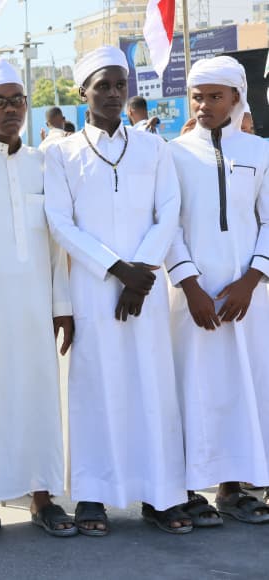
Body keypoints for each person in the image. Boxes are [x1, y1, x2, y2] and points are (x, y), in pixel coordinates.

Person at [43, 46, 190, 536]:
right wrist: (117, 269)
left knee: (151, 385)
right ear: (82, 92)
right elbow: (60, 223)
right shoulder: (60, 153)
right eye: (101, 86)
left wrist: (142, 270)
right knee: (94, 386)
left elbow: (168, 212)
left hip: (145, 288)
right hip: (93, 286)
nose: (111, 94)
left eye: (119, 85)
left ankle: (160, 494)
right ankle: (92, 495)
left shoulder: (153, 147)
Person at [0, 58, 75, 543]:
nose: (10, 110)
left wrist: (62, 306)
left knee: (40, 399)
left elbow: (57, 244)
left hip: (35, 309)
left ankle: (43, 497)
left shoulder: (44, 164)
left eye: (17, 101)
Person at [166, 56, 269, 526]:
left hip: (250, 298)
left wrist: (251, 280)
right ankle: (186, 489)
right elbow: (168, 225)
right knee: (191, 387)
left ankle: (233, 487)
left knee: (244, 388)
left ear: (236, 98)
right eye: (197, 97)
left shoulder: (260, 152)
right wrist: (190, 285)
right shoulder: (173, 153)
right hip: (191, 298)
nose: (205, 105)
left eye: (215, 96)